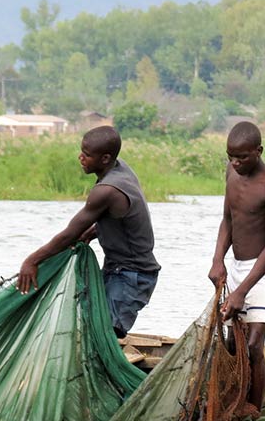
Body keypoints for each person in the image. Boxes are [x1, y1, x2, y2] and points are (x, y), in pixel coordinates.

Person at [17, 125, 161, 338]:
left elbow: (70, 234)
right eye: (81, 152)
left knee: (104, 334)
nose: (80, 158)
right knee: (92, 327)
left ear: (105, 158)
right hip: (118, 269)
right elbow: (121, 217)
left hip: (132, 275)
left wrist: (32, 260)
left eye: (87, 155)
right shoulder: (120, 167)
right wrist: (94, 232)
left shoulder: (106, 191)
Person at [208, 121, 265, 411]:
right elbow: (228, 220)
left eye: (242, 157)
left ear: (259, 151)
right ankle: (233, 405)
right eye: (231, 156)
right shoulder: (231, 173)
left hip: (262, 271)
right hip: (235, 265)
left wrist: (242, 290)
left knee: (254, 345)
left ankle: (254, 411)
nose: (235, 162)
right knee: (232, 344)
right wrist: (218, 261)